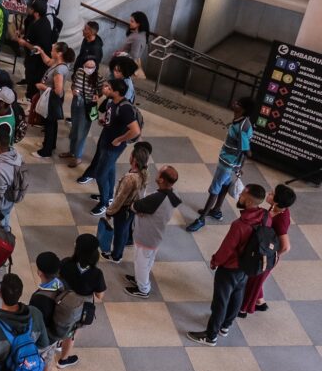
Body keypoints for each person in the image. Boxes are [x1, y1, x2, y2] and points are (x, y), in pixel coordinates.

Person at [187, 184, 268, 347]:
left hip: (230, 268)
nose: (239, 196)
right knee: (238, 294)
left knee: (220, 301)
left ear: (250, 201)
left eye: (243, 194)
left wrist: (215, 261)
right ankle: (225, 326)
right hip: (248, 265)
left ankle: (211, 336)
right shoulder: (265, 216)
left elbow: (227, 249)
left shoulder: (240, 225)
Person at [186, 98, 254, 232]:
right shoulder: (240, 121)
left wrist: (240, 166)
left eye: (238, 103)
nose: (234, 103)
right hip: (230, 163)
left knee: (214, 190)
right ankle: (216, 210)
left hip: (227, 165)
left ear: (243, 110)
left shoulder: (242, 127)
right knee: (224, 186)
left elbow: (246, 150)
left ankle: (201, 219)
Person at [78, 79, 141, 216]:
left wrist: (119, 140)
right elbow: (113, 118)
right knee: (110, 169)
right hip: (106, 139)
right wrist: (105, 122)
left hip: (113, 146)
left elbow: (135, 130)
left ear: (117, 92)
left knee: (101, 175)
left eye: (108, 87)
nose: (104, 89)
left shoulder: (125, 108)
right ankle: (109, 196)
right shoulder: (112, 102)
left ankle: (104, 203)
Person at [125, 166, 181, 299]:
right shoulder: (173, 194)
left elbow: (134, 206)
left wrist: (139, 210)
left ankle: (143, 289)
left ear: (161, 180)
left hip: (146, 237)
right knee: (147, 261)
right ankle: (140, 280)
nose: (157, 173)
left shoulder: (156, 199)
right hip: (156, 236)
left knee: (141, 264)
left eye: (159, 172)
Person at [239, 184, 295, 317]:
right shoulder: (276, 208)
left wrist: (271, 256)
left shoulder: (281, 219)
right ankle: (260, 302)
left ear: (277, 200)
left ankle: (243, 309)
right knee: (257, 279)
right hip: (265, 250)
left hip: (266, 257)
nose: (268, 194)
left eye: (272, 193)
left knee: (254, 280)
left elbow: (286, 246)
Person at [18, 251, 65, 371]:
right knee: (48, 361)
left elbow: (35, 323)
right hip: (55, 335)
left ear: (39, 272)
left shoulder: (40, 298)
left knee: (34, 367)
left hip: (42, 338)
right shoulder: (62, 285)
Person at [56, 234, 105, 369]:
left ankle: (59, 342)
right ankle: (63, 360)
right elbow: (100, 296)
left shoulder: (65, 263)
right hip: (79, 309)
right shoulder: (97, 274)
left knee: (62, 324)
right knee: (72, 334)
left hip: (62, 301)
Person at [97, 144, 150, 263]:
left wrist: (109, 211)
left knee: (119, 232)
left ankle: (116, 255)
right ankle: (124, 244)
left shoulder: (130, 178)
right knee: (125, 230)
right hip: (131, 208)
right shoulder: (143, 173)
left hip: (123, 210)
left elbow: (120, 198)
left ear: (134, 160)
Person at [32, 41, 75, 159]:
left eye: (53, 50)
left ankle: (46, 152)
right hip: (52, 99)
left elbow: (58, 90)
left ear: (59, 53)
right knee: (51, 124)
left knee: (49, 125)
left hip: (52, 100)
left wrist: (42, 87)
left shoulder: (60, 70)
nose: (51, 52)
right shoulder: (58, 63)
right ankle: (50, 145)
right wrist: (41, 52)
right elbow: (47, 61)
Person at [63, 56, 101, 167]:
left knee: (82, 132)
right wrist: (73, 90)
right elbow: (73, 83)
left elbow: (101, 90)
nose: (89, 69)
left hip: (88, 106)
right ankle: (72, 151)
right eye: (87, 66)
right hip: (76, 103)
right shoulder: (79, 72)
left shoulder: (98, 77)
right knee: (74, 128)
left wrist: (97, 96)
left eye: (92, 67)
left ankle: (78, 157)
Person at [15, 0, 53, 99]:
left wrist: (24, 43)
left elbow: (38, 49)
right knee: (29, 75)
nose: (28, 9)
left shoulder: (43, 26)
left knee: (33, 80)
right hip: (30, 58)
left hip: (37, 61)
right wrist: (22, 32)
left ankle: (30, 98)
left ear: (36, 12)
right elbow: (29, 31)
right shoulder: (34, 19)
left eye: (30, 8)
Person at [0, 127, 23, 228]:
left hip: (1, 206)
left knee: (0, 227)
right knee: (6, 217)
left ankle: (4, 237)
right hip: (11, 198)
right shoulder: (17, 156)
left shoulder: (0, 169)